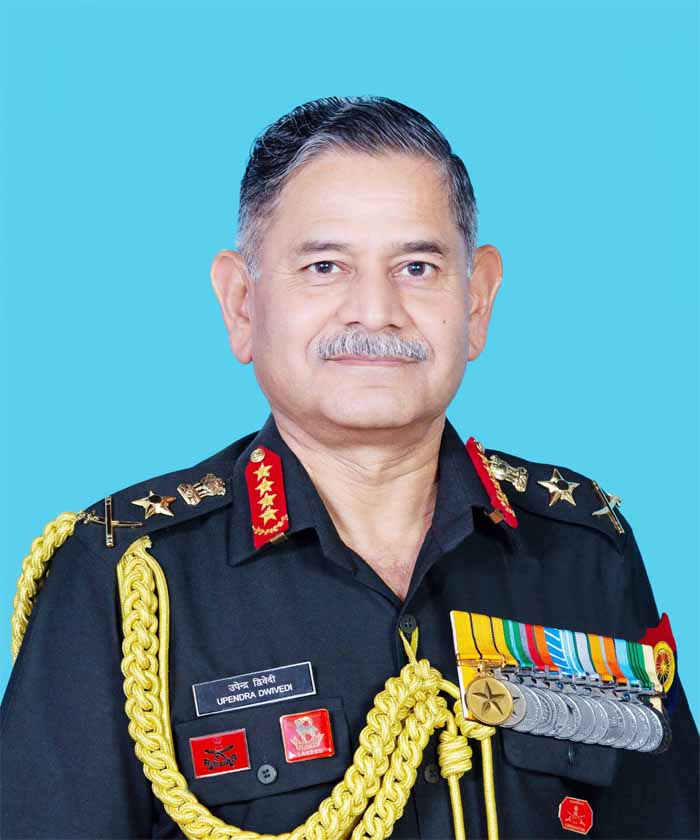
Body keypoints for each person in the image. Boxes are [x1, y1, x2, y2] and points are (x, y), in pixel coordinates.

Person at [1, 95, 697, 840]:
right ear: (242, 304)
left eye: (417, 267)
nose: (375, 311)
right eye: (326, 266)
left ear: (477, 302)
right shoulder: (125, 579)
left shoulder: (583, 549)